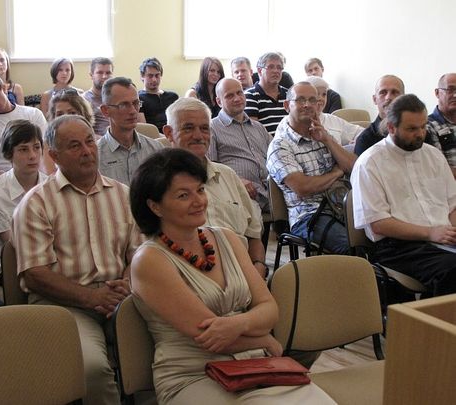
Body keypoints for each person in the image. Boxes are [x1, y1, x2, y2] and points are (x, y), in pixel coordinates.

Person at [128, 147, 335, 405]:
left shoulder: (226, 237)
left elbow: (270, 310)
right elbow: (210, 338)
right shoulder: (150, 260)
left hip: (255, 364)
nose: (199, 201)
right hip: (193, 374)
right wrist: (263, 337)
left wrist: (241, 324)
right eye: (183, 195)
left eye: (200, 190)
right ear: (155, 206)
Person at [12, 114, 142, 405]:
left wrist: (126, 283)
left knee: (166, 347)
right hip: (63, 304)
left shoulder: (123, 195)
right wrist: (92, 297)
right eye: (74, 146)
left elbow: (139, 254)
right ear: (54, 156)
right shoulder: (36, 203)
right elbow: (35, 274)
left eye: (89, 142)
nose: (86, 151)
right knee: (92, 370)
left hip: (122, 297)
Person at [351, 94, 456, 297]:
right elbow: (378, 223)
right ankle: (431, 317)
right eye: (412, 129)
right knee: (452, 269)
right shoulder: (370, 162)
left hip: (441, 237)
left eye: (423, 127)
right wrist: (430, 233)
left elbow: (452, 205)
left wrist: (452, 231)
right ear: (391, 127)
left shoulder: (433, 155)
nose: (420, 134)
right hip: (398, 247)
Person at [164, 97, 267, 278]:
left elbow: (253, 236)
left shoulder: (228, 176)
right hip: (189, 281)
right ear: (169, 133)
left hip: (244, 277)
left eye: (204, 128)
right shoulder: (158, 183)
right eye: (188, 128)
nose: (198, 136)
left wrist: (258, 268)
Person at [267, 82, 357, 254]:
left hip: (342, 208)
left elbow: (353, 167)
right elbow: (303, 187)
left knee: (380, 239)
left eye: (312, 100)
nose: (307, 105)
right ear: (287, 105)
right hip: (309, 216)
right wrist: (337, 172)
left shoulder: (321, 135)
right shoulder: (280, 146)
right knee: (352, 246)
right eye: (300, 100)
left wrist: (327, 140)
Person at [0, 119, 47, 286]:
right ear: (9, 154)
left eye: (36, 147)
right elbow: (15, 244)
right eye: (23, 149)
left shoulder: (51, 185)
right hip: (9, 265)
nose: (32, 155)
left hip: (49, 257)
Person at [209, 78, 272, 248]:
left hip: (270, 192)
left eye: (239, 93)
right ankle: (254, 262)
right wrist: (236, 180)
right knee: (253, 221)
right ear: (219, 101)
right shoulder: (212, 128)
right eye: (230, 96)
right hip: (239, 194)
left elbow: (274, 158)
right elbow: (210, 166)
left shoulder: (258, 127)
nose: (237, 98)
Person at [0, 72, 50, 173]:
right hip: (0, 176)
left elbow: (46, 149)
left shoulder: (33, 114)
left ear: (4, 88)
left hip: (34, 173)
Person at [98, 77, 164, 186]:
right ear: (105, 111)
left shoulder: (156, 150)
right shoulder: (96, 156)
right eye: (123, 105)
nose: (133, 111)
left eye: (136, 103)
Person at [275, 76, 363, 146]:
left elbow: (361, 132)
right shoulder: (287, 123)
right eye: (316, 94)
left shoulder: (333, 120)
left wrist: (357, 142)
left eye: (324, 94)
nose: (321, 98)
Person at [354, 75, 405, 155]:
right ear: (375, 99)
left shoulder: (418, 133)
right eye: (383, 93)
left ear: (404, 98)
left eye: (394, 92)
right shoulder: (365, 140)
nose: (388, 97)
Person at [245, 52, 288, 136]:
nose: (276, 71)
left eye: (279, 67)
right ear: (259, 70)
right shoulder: (250, 96)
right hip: (265, 143)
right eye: (271, 67)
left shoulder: (289, 94)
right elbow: (254, 132)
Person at [426, 73, 456, 178]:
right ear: (437, 93)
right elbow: (440, 169)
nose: (455, 95)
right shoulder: (427, 126)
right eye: (450, 90)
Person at [138, 57, 178, 132]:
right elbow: (144, 129)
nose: (154, 80)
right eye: (150, 76)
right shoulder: (138, 98)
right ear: (142, 76)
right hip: (153, 136)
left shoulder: (173, 97)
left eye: (157, 75)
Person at [83, 57, 114, 136]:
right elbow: (84, 131)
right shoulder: (84, 100)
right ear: (91, 75)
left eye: (108, 73)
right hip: (99, 140)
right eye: (100, 73)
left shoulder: (117, 97)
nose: (104, 76)